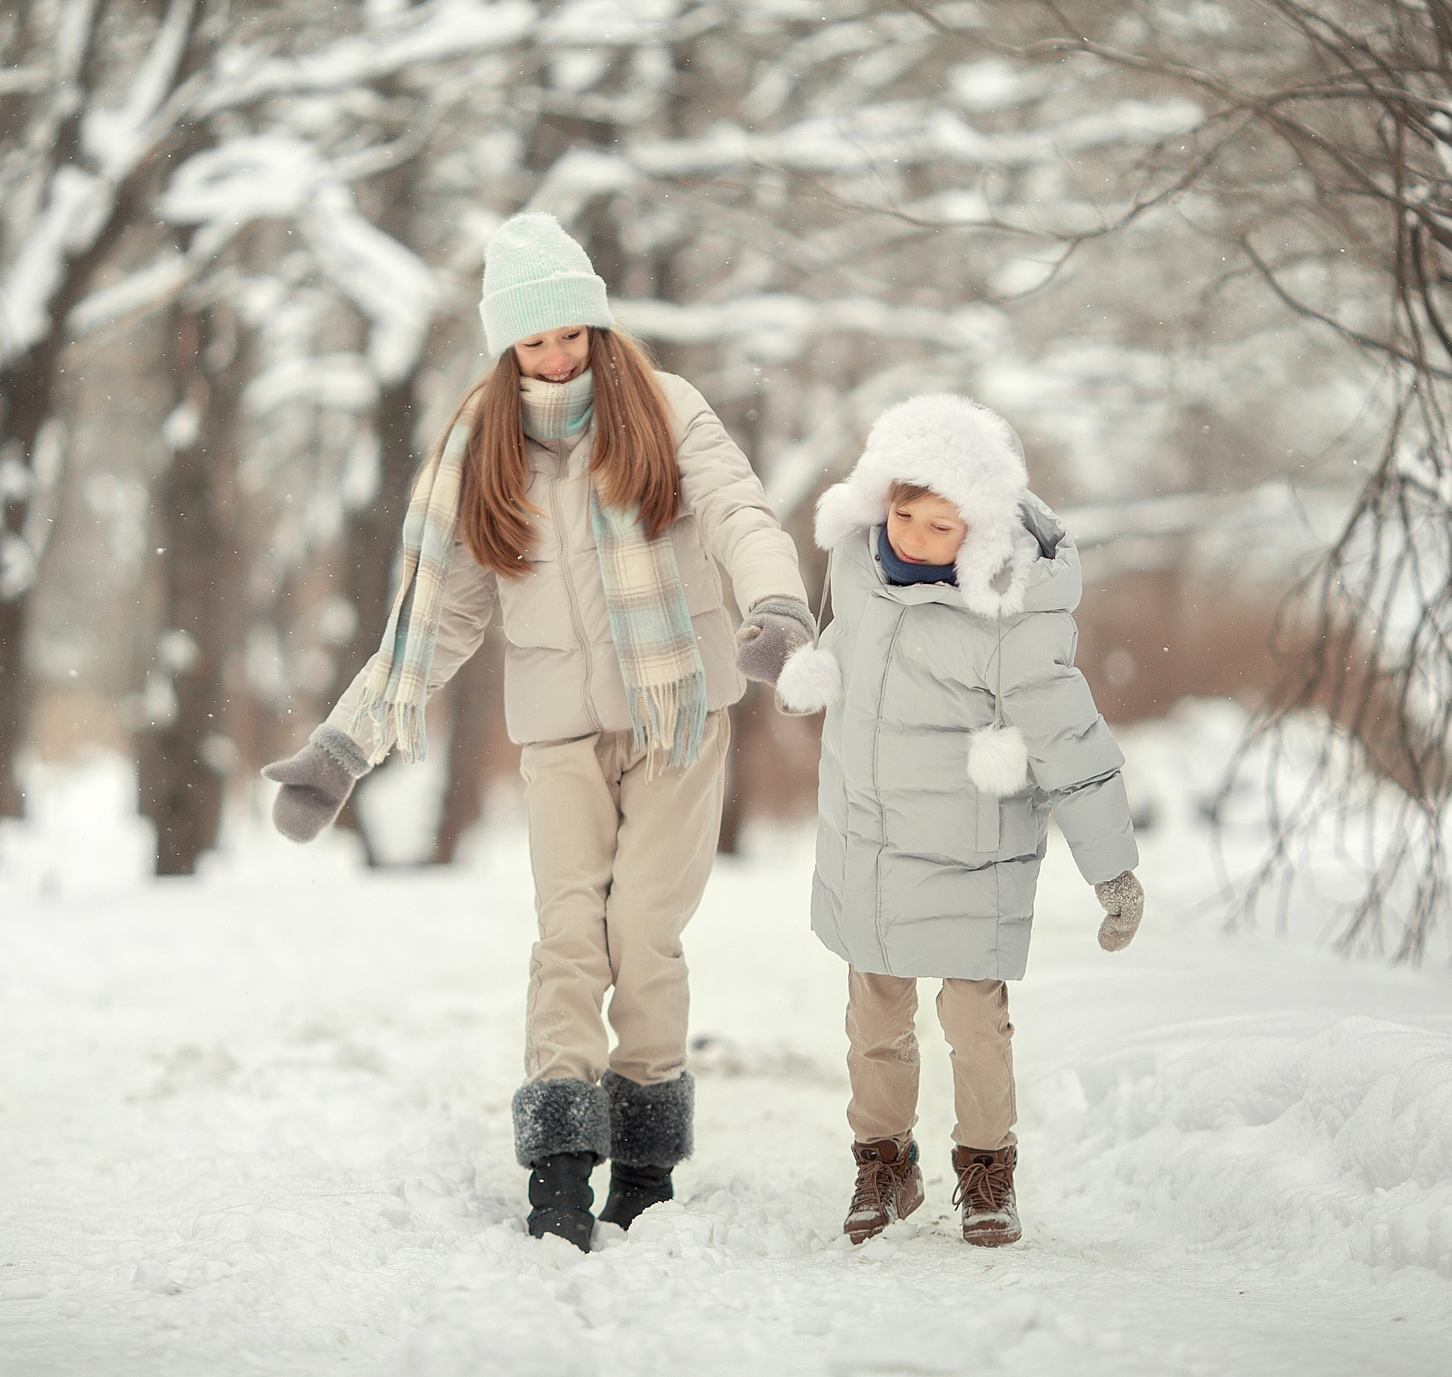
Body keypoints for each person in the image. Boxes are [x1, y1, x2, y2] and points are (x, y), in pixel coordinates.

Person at [260, 211, 814, 1252]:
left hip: (678, 717)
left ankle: (644, 1161)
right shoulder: (483, 456)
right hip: (559, 737)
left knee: (641, 930)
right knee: (569, 932)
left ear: (598, 327)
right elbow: (442, 616)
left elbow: (741, 515)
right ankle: (560, 1158)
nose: (556, 357)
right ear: (506, 347)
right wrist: (345, 745)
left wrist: (776, 609)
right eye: (533, 340)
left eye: (570, 334)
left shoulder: (668, 413)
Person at [772, 393, 1144, 1248]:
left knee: (974, 1025)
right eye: (902, 513)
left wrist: (1111, 868)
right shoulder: (858, 570)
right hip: (869, 842)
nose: (912, 536)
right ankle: (883, 1161)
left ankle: (986, 1170)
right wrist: (798, 672)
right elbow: (840, 663)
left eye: (939, 525)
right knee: (873, 1021)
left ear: (977, 528)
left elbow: (1069, 741)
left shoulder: (1010, 616)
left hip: (972, 853)